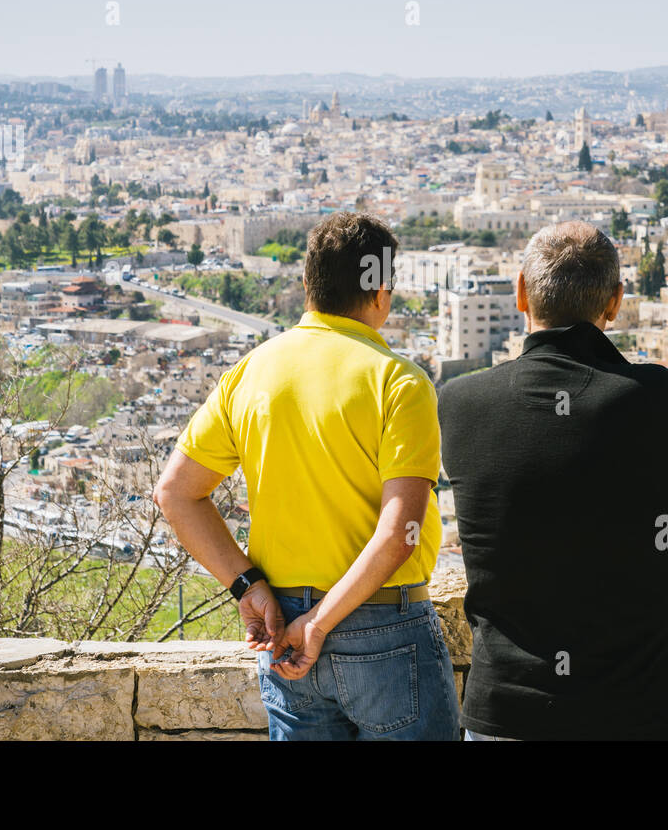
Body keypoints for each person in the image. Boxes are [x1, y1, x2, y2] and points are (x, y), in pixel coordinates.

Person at [152, 211, 459, 741]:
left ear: (307, 286)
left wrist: (248, 587)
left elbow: (175, 494)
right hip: (382, 626)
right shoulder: (399, 381)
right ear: (382, 291)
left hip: (281, 628)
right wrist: (319, 625)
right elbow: (397, 536)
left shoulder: (249, 374)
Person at [438, 221, 668, 740]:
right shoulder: (656, 397)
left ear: (520, 292)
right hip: (632, 709)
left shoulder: (459, 401)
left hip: (504, 712)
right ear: (615, 302)